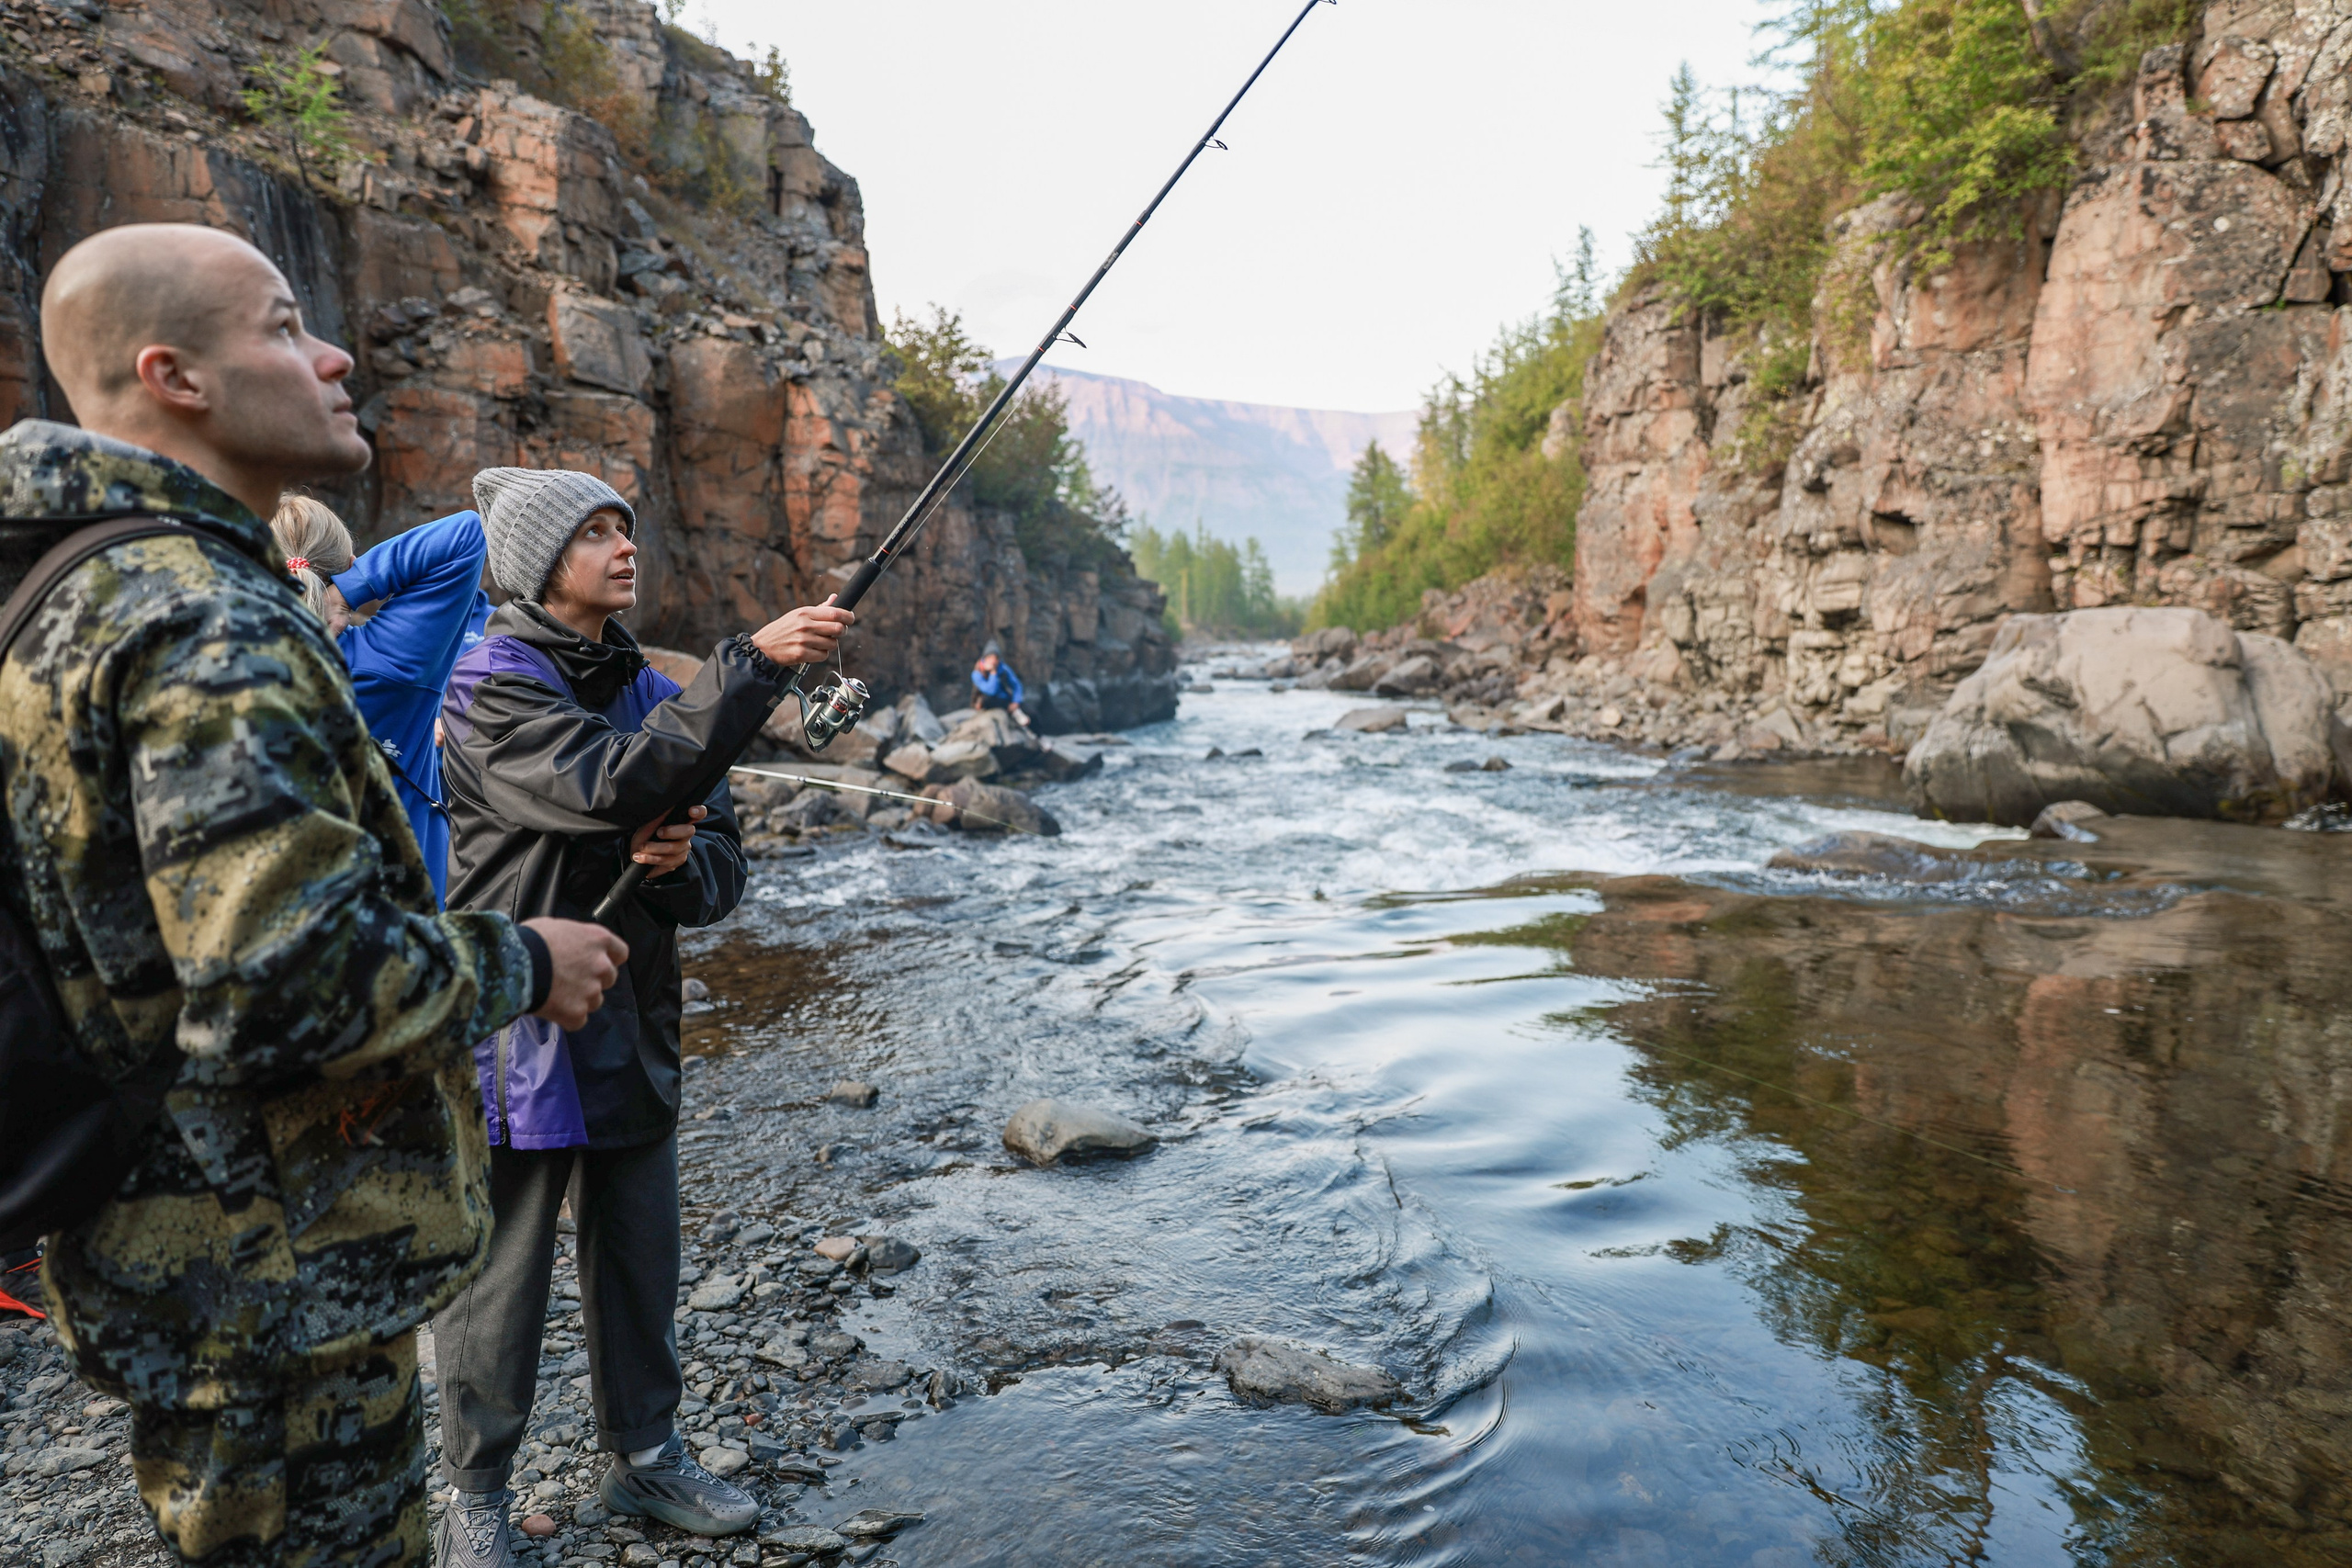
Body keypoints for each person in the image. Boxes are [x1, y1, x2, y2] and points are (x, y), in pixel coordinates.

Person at [0, 221, 628, 1568]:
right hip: (272, 1268)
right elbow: (289, 978)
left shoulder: (65, 586)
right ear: (176, 375)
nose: (334, 352)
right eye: (285, 325)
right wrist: (525, 958)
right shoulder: (200, 622)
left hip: (165, 1241)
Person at [431, 467, 854, 1568]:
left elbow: (721, 868)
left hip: (632, 1016)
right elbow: (612, 783)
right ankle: (474, 1492)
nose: (625, 545)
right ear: (536, 564)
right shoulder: (489, 684)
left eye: (626, 524)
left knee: (640, 1251)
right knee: (499, 1274)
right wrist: (754, 666)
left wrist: (675, 867)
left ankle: (647, 1457)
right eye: (594, 531)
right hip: (519, 1022)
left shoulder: (650, 687)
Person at [272, 496, 494, 904]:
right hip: (404, 920)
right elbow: (466, 533)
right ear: (350, 563)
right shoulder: (387, 664)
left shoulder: (228, 665)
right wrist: (348, 592)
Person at [971, 637, 1028, 724]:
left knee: (1032, 713)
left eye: (995, 658)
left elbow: (1016, 685)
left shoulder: (1004, 669)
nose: (993, 661)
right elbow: (991, 691)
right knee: (988, 700)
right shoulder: (977, 673)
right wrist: (993, 673)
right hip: (989, 700)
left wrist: (1016, 701)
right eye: (990, 657)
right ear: (985, 658)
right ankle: (1015, 713)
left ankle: (1037, 735)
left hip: (1006, 697)